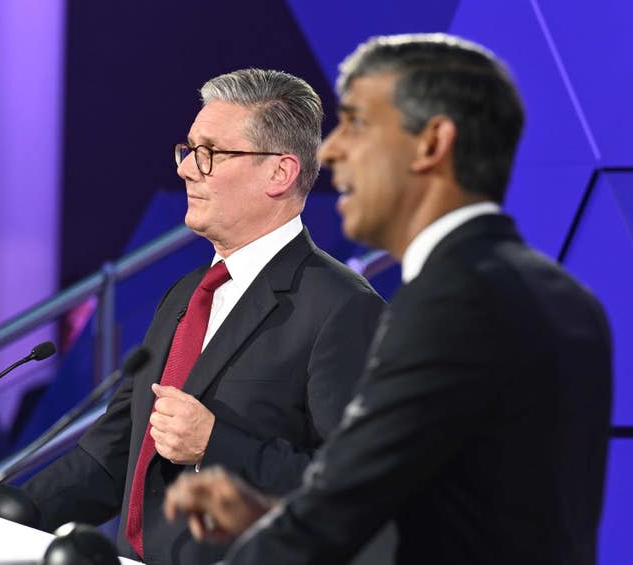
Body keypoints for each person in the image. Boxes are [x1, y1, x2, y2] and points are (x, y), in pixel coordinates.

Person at [163, 34, 613, 565]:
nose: (329, 151)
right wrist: (268, 516)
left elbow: (342, 511)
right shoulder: (564, 296)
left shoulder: (454, 302)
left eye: (356, 124)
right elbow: (458, 507)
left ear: (431, 145)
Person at [22, 69, 384, 564]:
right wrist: (11, 514)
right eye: (189, 150)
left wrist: (216, 444)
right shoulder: (187, 295)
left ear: (279, 173)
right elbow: (112, 458)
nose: (188, 169)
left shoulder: (343, 307)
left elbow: (359, 491)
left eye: (211, 152)